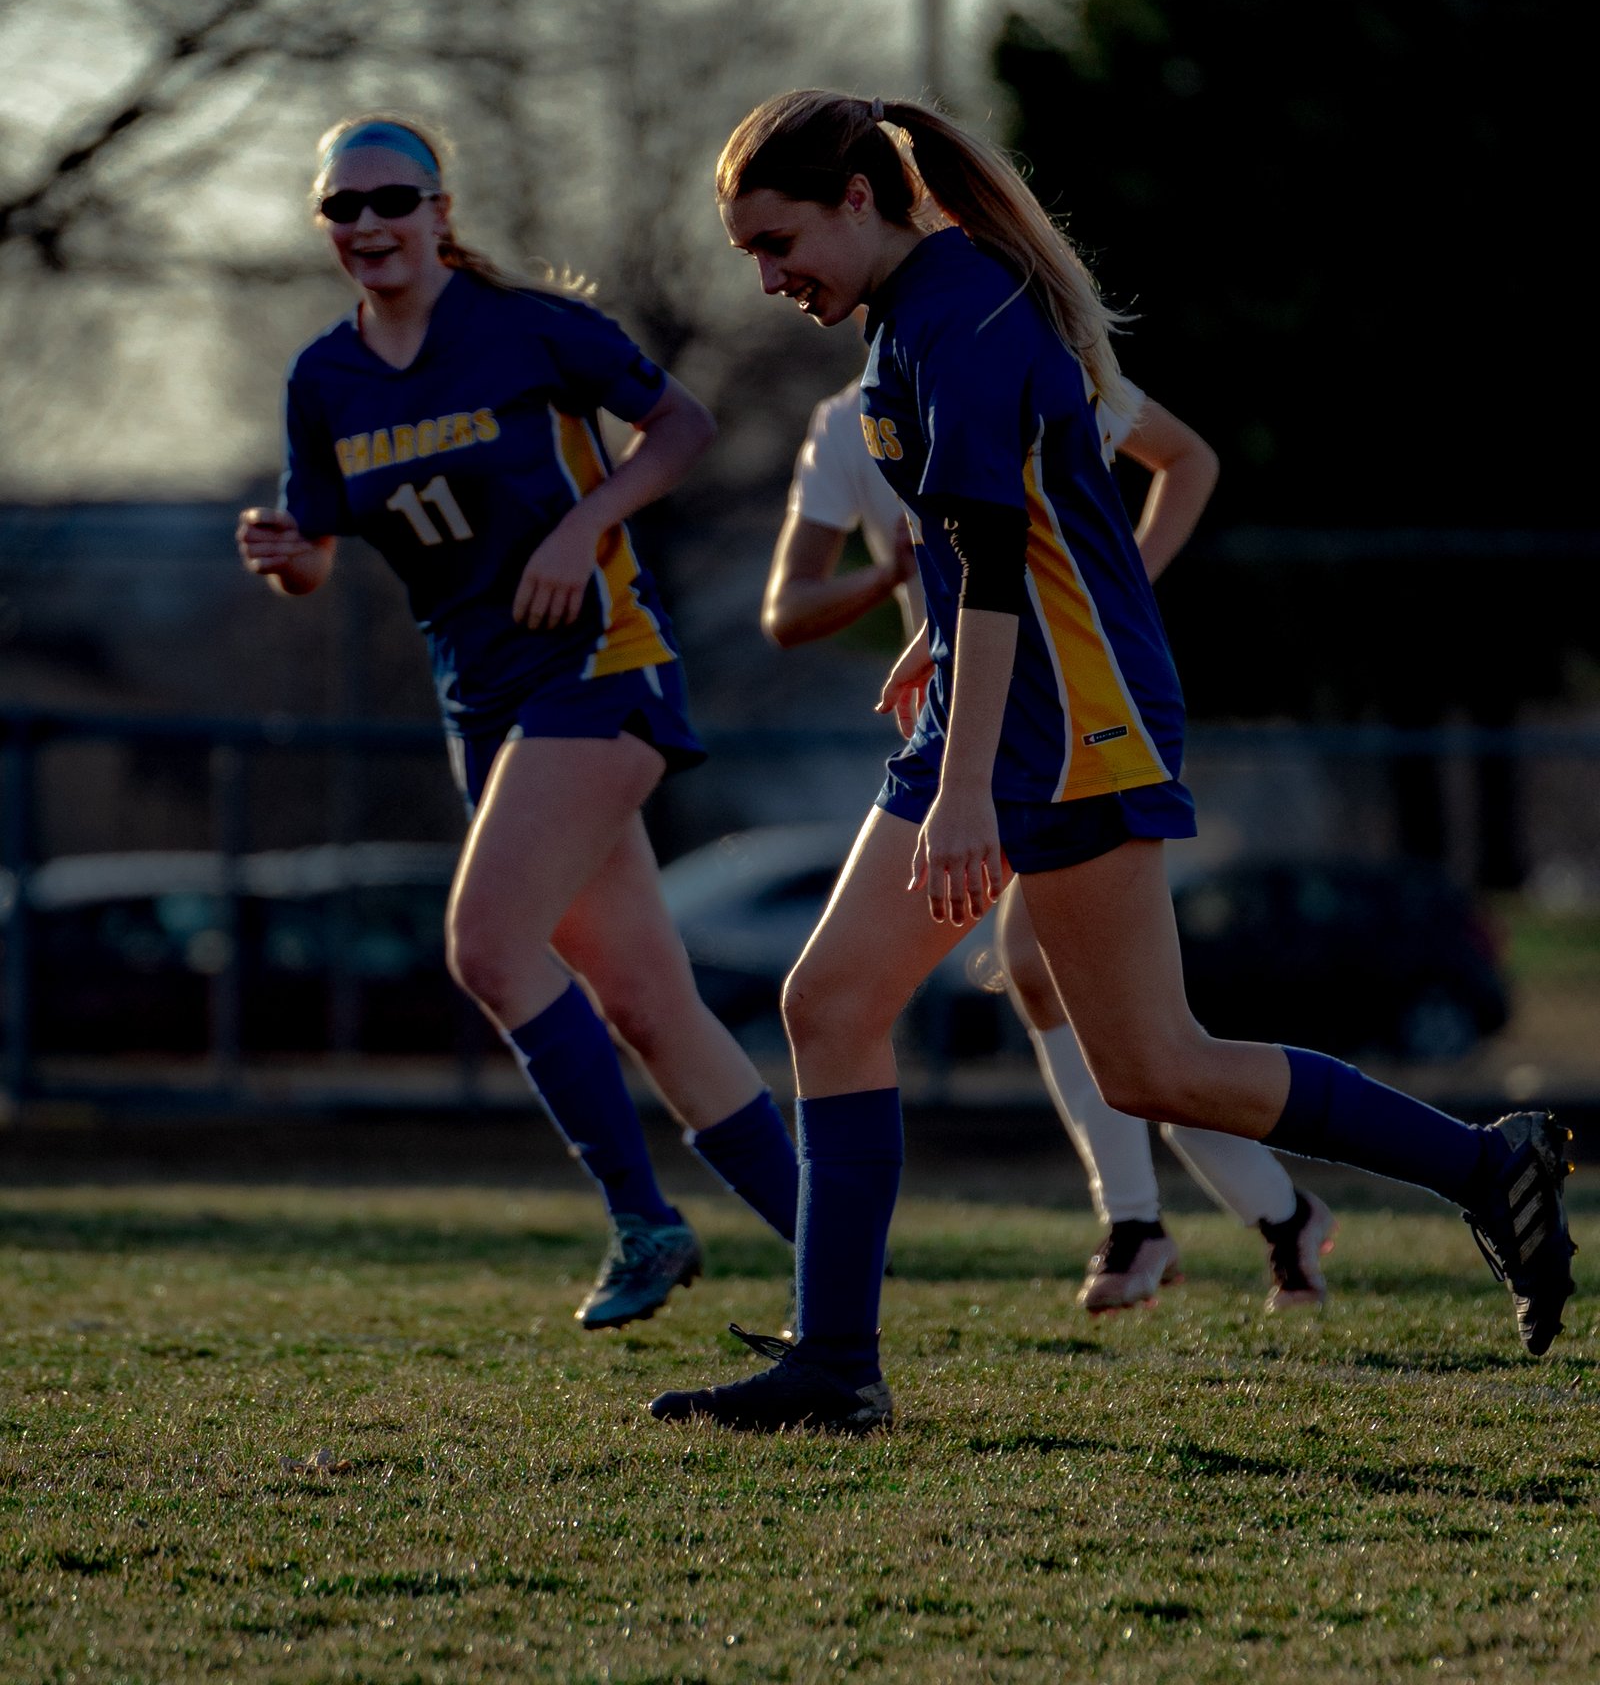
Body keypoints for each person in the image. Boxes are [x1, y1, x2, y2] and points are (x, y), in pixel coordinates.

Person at [649, 90, 1574, 1436]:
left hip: (1072, 723)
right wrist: (938, 658)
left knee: (1149, 1063)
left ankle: (1486, 1167)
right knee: (835, 1005)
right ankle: (836, 1366)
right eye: (748, 253)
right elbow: (995, 549)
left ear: (857, 198)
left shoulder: (963, 315)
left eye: (775, 242)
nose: (766, 278)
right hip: (1002, 702)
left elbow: (1002, 567)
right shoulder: (911, 312)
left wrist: (966, 784)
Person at [237, 115, 799, 1330]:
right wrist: (284, 554)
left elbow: (683, 426)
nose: (369, 223)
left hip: (597, 668)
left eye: (393, 198)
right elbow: (316, 558)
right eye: (342, 207)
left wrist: (582, 526)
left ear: (440, 210)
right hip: (481, 705)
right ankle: (833, 1244)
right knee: (646, 1002)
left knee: (489, 949)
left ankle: (644, 1223)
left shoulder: (529, 326)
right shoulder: (322, 378)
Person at [765, 352, 1335, 1315]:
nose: (782, 284)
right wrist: (895, 578)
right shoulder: (849, 420)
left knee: (1092, 1004)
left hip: (1071, 727)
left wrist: (1122, 587)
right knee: (1091, 1014)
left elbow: (1187, 458)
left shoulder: (1022, 361)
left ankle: (1165, 1220)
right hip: (959, 749)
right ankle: (1260, 1216)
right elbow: (787, 609)